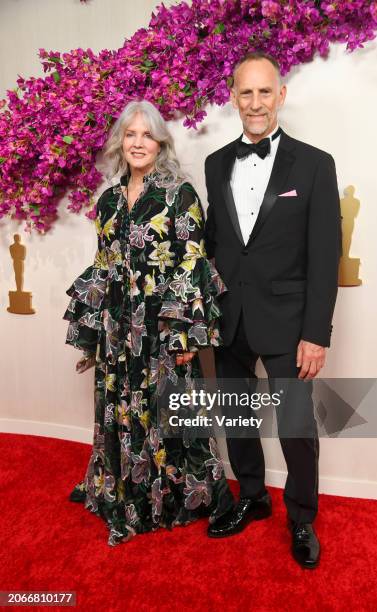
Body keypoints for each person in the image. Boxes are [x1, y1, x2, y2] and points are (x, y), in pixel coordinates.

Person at [63, 99, 234, 546]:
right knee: (121, 409)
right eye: (130, 134)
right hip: (119, 331)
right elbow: (102, 265)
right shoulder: (108, 201)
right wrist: (92, 329)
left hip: (162, 331)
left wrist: (185, 333)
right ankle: (121, 490)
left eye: (147, 135)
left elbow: (191, 264)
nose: (138, 143)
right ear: (121, 141)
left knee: (171, 413)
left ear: (161, 142)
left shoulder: (180, 194)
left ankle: (172, 498)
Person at [204, 52, 341, 568]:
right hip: (229, 318)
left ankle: (302, 518)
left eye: (265, 92)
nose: (255, 103)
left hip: (289, 325)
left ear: (280, 95)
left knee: (296, 428)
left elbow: (324, 255)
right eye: (246, 93)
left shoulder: (315, 163)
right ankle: (253, 498)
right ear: (233, 96)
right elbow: (220, 242)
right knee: (238, 420)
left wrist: (316, 333)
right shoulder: (216, 163)